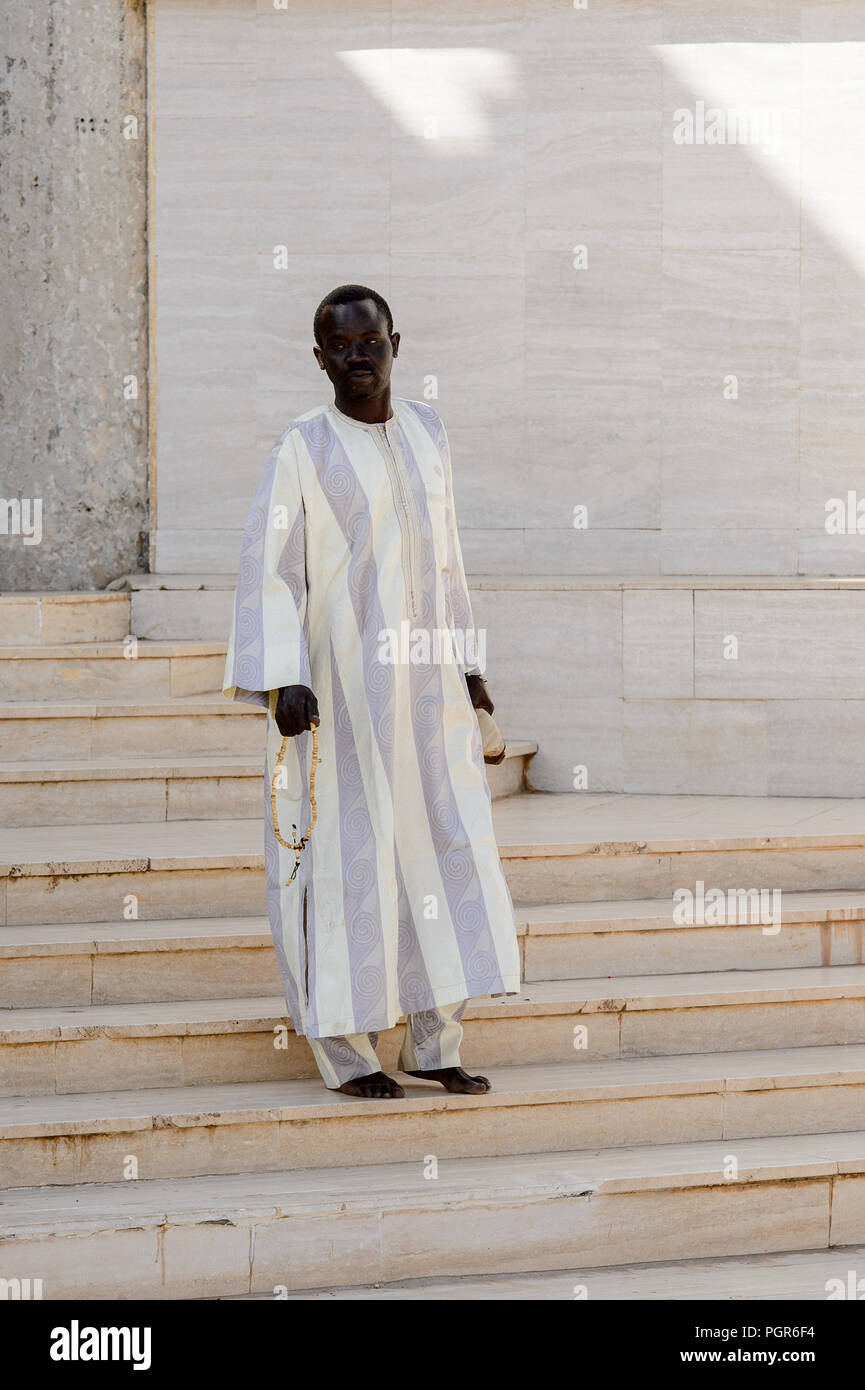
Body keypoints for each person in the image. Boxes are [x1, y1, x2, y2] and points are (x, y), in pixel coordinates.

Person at [223, 284, 521, 1098]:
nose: (357, 358)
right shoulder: (303, 447)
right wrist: (280, 675)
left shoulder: (428, 432)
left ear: (396, 343)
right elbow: (270, 567)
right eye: (338, 347)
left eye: (369, 343)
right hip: (341, 694)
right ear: (318, 358)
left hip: (429, 694)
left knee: (447, 853)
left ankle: (434, 1040)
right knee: (347, 861)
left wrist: (472, 675)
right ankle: (349, 1053)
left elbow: (448, 558)